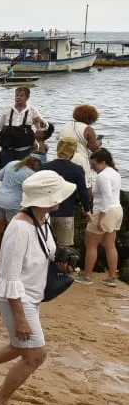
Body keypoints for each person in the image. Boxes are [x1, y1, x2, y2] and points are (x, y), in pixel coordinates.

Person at [0, 172, 76, 405]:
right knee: (35, 355)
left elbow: (43, 253)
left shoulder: (41, 219)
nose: (61, 199)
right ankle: (0, 401)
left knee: (18, 346)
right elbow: (10, 277)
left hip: (30, 294)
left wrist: (60, 263)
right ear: (46, 198)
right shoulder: (19, 229)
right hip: (15, 298)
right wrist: (21, 318)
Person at [0, 156, 42, 263]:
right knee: (12, 233)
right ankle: (6, 259)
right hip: (13, 204)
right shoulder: (31, 174)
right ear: (36, 165)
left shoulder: (12, 163)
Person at [79, 149, 122, 287]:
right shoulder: (114, 173)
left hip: (105, 211)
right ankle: (111, 277)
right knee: (110, 246)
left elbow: (107, 198)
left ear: (103, 162)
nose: (91, 167)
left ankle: (87, 276)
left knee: (91, 245)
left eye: (94, 164)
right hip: (117, 210)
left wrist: (101, 218)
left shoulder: (103, 176)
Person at [41, 137, 91, 248]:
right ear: (72, 152)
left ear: (58, 150)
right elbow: (83, 192)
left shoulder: (44, 167)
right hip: (66, 213)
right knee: (64, 249)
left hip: (45, 212)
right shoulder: (77, 170)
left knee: (45, 246)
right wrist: (87, 210)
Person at [0, 86, 47, 167]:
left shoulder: (32, 110)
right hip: (7, 150)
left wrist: (41, 121)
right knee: (6, 170)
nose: (18, 97)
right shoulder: (7, 109)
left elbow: (42, 128)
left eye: (21, 95)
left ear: (27, 97)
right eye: (17, 95)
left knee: (23, 170)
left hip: (25, 150)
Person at [60, 104, 102, 189]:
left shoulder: (66, 126)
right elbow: (94, 149)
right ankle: (86, 202)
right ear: (92, 118)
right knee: (84, 185)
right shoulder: (88, 129)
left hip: (62, 157)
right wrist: (98, 143)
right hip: (79, 159)